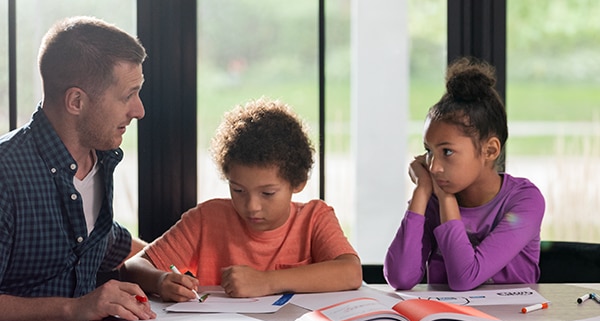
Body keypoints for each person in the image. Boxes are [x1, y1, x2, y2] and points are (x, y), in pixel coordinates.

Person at [0, 16, 156, 321]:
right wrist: (78, 308)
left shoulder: (101, 160)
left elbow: (105, 241)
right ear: (76, 101)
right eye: (128, 95)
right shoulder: (5, 174)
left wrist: (171, 269)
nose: (139, 110)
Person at [122, 98, 362, 300]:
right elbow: (134, 267)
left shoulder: (315, 219)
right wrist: (162, 280)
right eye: (238, 190)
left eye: (267, 193)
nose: (251, 206)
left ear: (297, 183)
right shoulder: (207, 219)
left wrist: (267, 282)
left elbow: (350, 272)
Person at [384, 57, 545, 291]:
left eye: (447, 151)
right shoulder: (432, 199)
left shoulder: (525, 201)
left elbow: (465, 277)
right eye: (429, 151)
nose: (434, 166)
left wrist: (445, 198)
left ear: (489, 150)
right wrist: (421, 192)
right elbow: (400, 278)